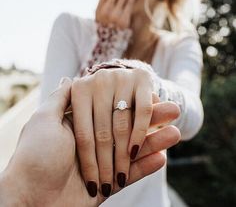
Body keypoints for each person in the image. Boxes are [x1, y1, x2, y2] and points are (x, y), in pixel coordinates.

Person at [40, 0, 204, 206]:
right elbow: (47, 128)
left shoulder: (179, 45)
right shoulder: (70, 28)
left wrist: (138, 78)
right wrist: (108, 45)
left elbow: (191, 115)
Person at [0, 77, 180, 206]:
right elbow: (48, 99)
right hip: (77, 189)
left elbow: (192, 115)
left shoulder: (176, 41)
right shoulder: (69, 26)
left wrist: (147, 84)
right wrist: (23, 190)